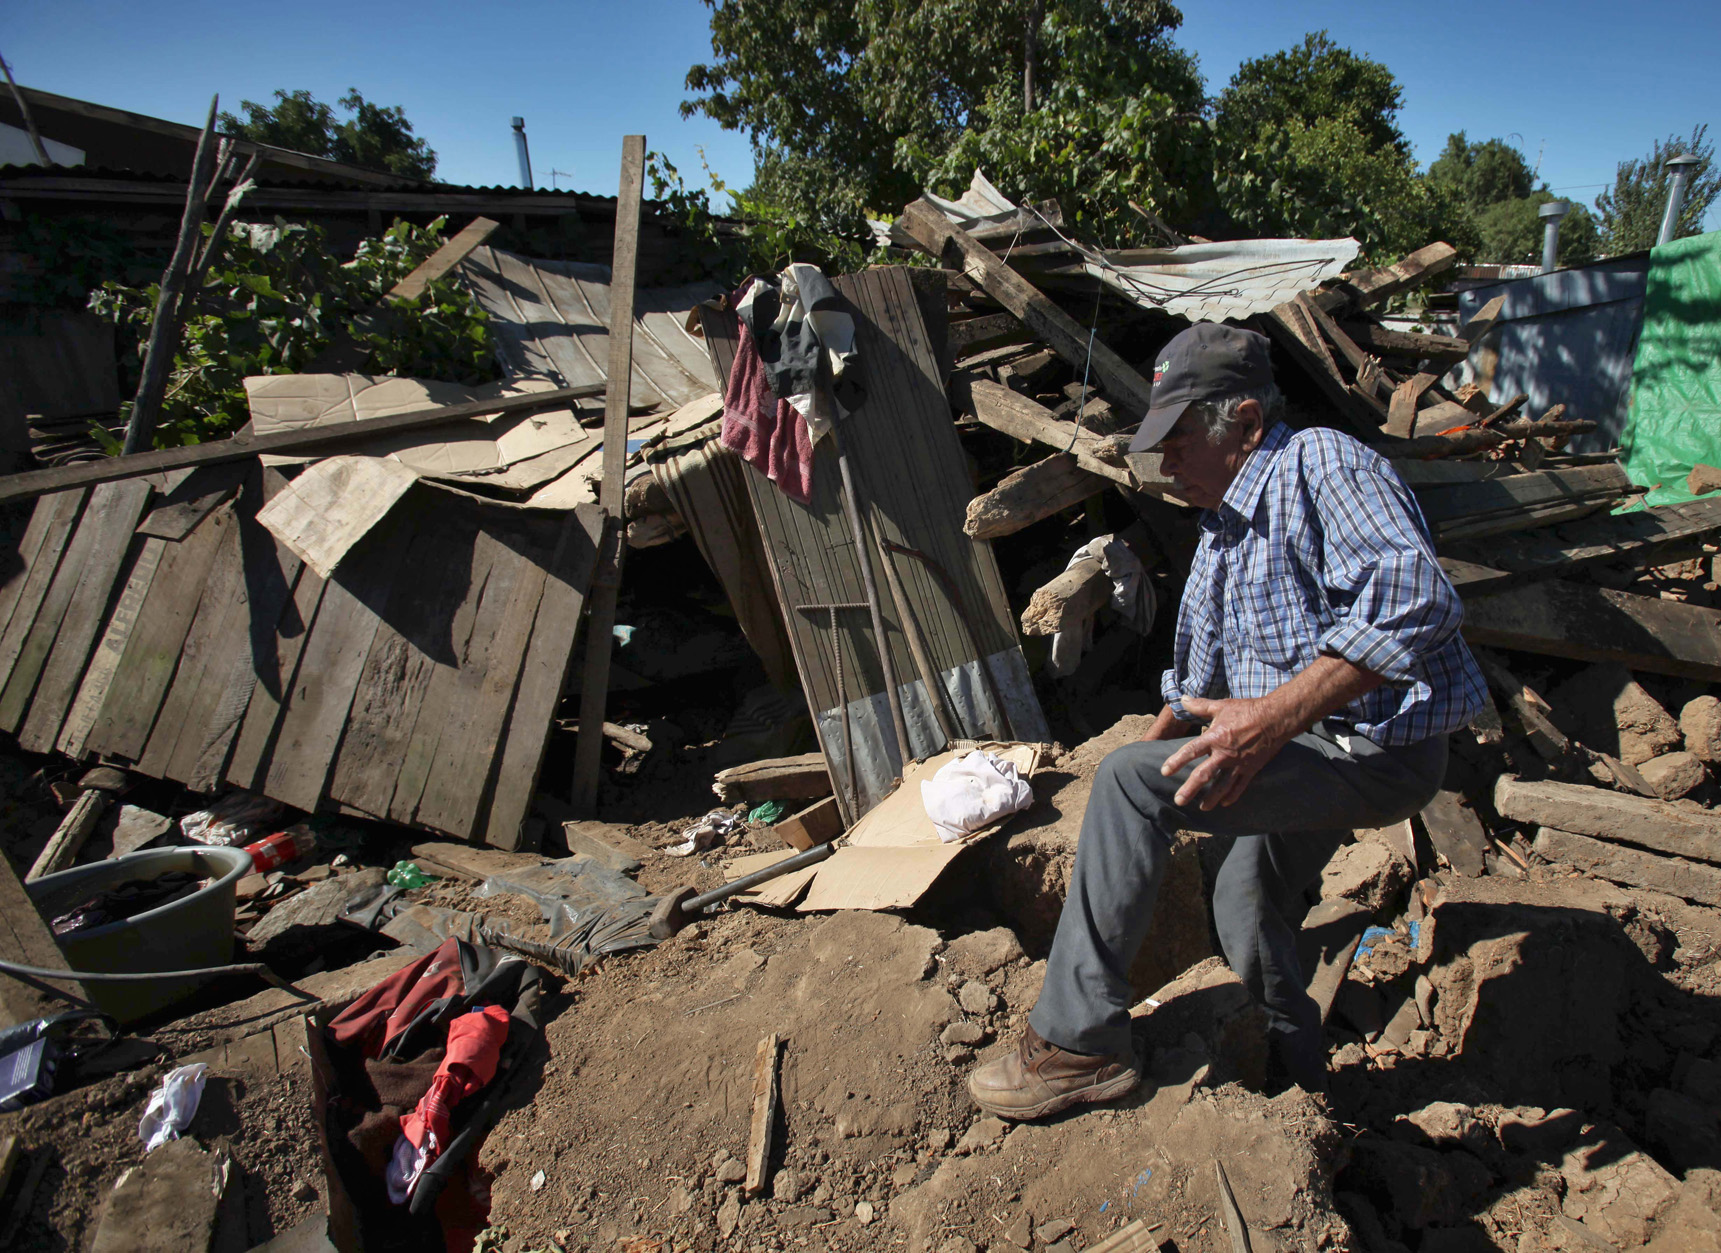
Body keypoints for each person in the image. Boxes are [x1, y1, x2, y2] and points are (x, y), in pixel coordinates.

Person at [968, 322, 1488, 1121]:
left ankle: (1080, 1044)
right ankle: (1302, 1088)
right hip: (1306, 749)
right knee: (1241, 910)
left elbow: (1414, 598)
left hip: (1382, 750)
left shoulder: (1320, 462)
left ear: (1243, 421)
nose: (1164, 462)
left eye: (1177, 439)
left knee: (1127, 785)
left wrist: (1264, 722)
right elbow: (1191, 687)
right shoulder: (1217, 534)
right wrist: (1126, 791)